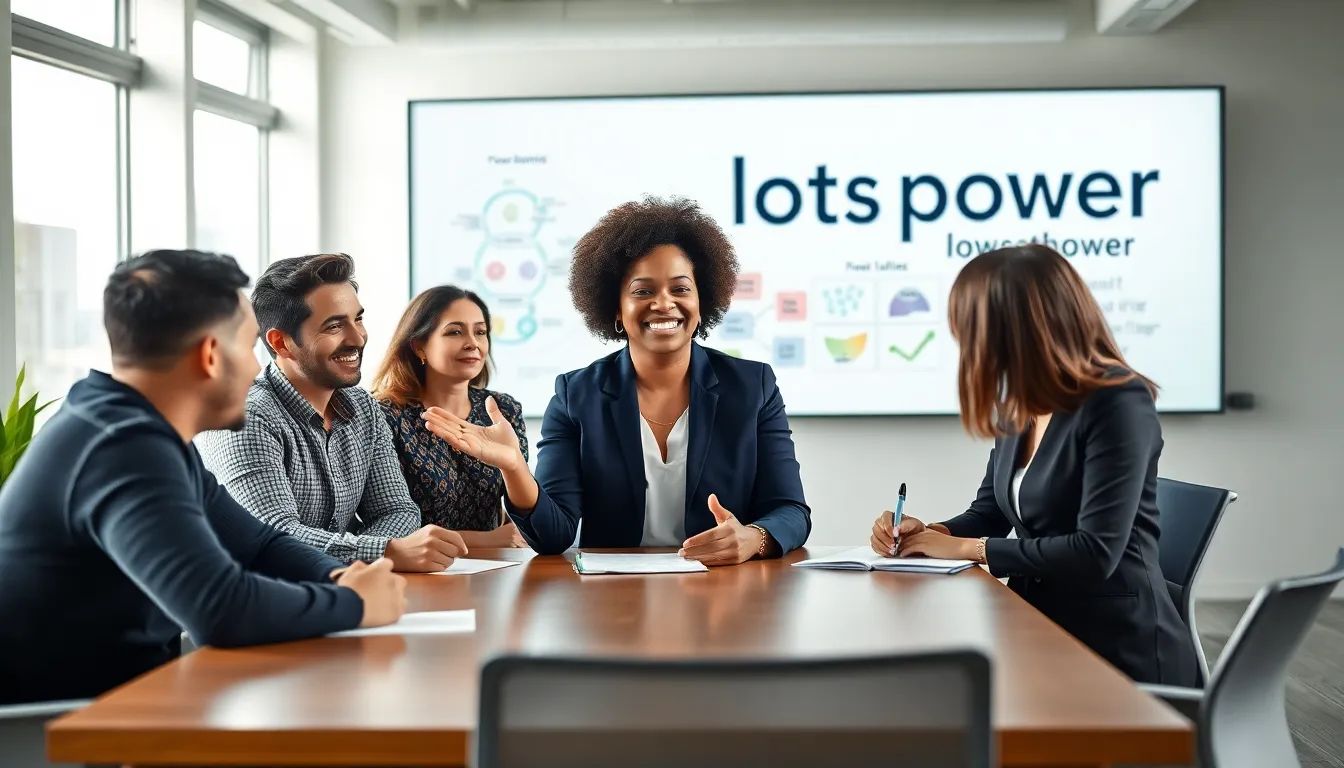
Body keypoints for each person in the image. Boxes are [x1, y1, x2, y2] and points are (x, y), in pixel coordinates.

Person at [0, 250, 407, 705]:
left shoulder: (136, 429)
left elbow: (258, 544)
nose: (255, 369)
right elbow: (220, 609)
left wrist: (342, 575)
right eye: (248, 347)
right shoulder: (123, 447)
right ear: (211, 356)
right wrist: (355, 604)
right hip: (62, 726)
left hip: (127, 703)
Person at [868, 244, 1196, 686]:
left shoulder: (1118, 401)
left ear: (1018, 328)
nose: (967, 344)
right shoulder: (1018, 405)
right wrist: (928, 535)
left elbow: (1095, 553)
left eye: (973, 328)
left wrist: (969, 549)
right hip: (1039, 627)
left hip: (1118, 650)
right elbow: (990, 513)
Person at [423, 196, 811, 563]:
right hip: (614, 593)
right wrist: (514, 467)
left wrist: (755, 537)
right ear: (615, 308)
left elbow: (791, 509)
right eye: (643, 291)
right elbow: (554, 536)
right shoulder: (576, 395)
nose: (664, 303)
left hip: (725, 589)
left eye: (680, 289)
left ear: (701, 300)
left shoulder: (753, 386)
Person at [196, 253, 467, 572]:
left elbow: (398, 511)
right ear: (281, 343)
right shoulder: (245, 417)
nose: (357, 338)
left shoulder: (364, 407)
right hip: (259, 596)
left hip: (338, 588)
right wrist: (385, 552)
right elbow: (273, 537)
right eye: (334, 326)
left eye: (358, 319)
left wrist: (366, 562)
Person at [370, 286, 530, 549]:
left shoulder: (503, 409)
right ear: (419, 346)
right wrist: (485, 540)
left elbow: (526, 513)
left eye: (480, 332)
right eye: (455, 332)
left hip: (495, 565)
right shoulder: (386, 415)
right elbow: (386, 523)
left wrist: (513, 465)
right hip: (415, 566)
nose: (473, 343)